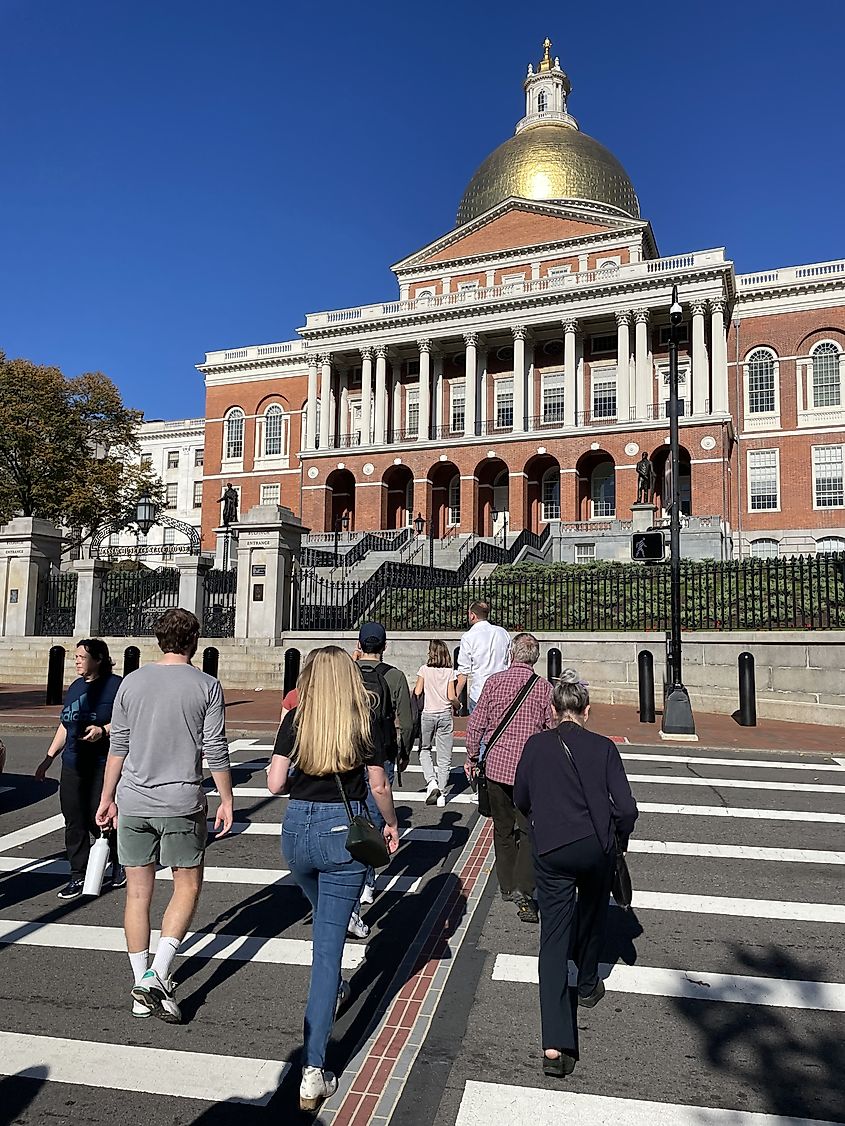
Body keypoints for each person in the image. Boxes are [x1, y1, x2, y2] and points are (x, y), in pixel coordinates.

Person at [268, 646, 399, 1113]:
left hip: (296, 831)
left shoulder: (296, 720)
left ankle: (337, 993)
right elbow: (379, 785)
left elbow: (274, 783)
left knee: (322, 917)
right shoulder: (361, 721)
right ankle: (312, 1069)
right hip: (340, 832)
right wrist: (390, 824)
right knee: (326, 951)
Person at [95, 608, 234, 1023]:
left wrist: (107, 797)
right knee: (186, 887)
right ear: (194, 641)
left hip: (134, 798)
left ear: (158, 640)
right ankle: (158, 974)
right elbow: (215, 748)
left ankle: (142, 985)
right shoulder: (206, 685)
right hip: (182, 801)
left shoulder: (131, 683)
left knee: (138, 894)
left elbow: (117, 745)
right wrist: (226, 797)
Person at [514, 669, 638, 1078]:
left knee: (552, 939)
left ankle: (555, 1045)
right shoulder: (603, 748)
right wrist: (618, 836)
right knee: (592, 914)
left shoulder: (535, 746)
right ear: (586, 711)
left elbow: (521, 797)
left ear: (552, 710)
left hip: (552, 847)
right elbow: (626, 808)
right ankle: (586, 984)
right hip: (595, 846)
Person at [465, 633, 555, 923]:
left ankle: (506, 884)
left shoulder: (494, 682)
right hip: (529, 771)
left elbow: (476, 724)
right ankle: (523, 886)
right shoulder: (543, 688)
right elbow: (550, 728)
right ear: (535, 657)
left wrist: (471, 757)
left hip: (496, 768)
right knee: (529, 830)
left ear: (512, 654)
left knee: (502, 828)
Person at [35, 639, 123, 899]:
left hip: (102, 764)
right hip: (73, 764)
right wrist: (49, 758)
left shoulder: (115, 686)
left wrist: (103, 730)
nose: (76, 662)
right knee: (74, 819)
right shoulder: (75, 687)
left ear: (98, 659)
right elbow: (66, 723)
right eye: (75, 657)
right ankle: (78, 875)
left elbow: (127, 722)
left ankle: (118, 861)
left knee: (102, 816)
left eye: (81, 657)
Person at [353, 621, 412, 909]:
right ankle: (367, 881)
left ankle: (353, 875)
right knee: (376, 813)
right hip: (383, 751)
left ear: (359, 645)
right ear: (384, 646)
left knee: (350, 811)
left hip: (348, 751)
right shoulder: (395, 676)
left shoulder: (346, 674)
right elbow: (408, 720)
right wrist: (404, 751)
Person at [413, 639, 458, 807]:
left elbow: (417, 691)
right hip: (445, 714)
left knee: (424, 749)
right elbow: (451, 696)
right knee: (445, 757)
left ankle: (431, 781)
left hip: (428, 714)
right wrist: (458, 706)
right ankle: (442, 794)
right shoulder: (449, 671)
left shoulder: (424, 670)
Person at [455, 601, 510, 713]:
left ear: (472, 615)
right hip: (502, 691)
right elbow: (509, 662)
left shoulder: (468, 636)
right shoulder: (502, 633)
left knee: (477, 729)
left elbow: (463, 672)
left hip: (479, 693)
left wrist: (455, 697)